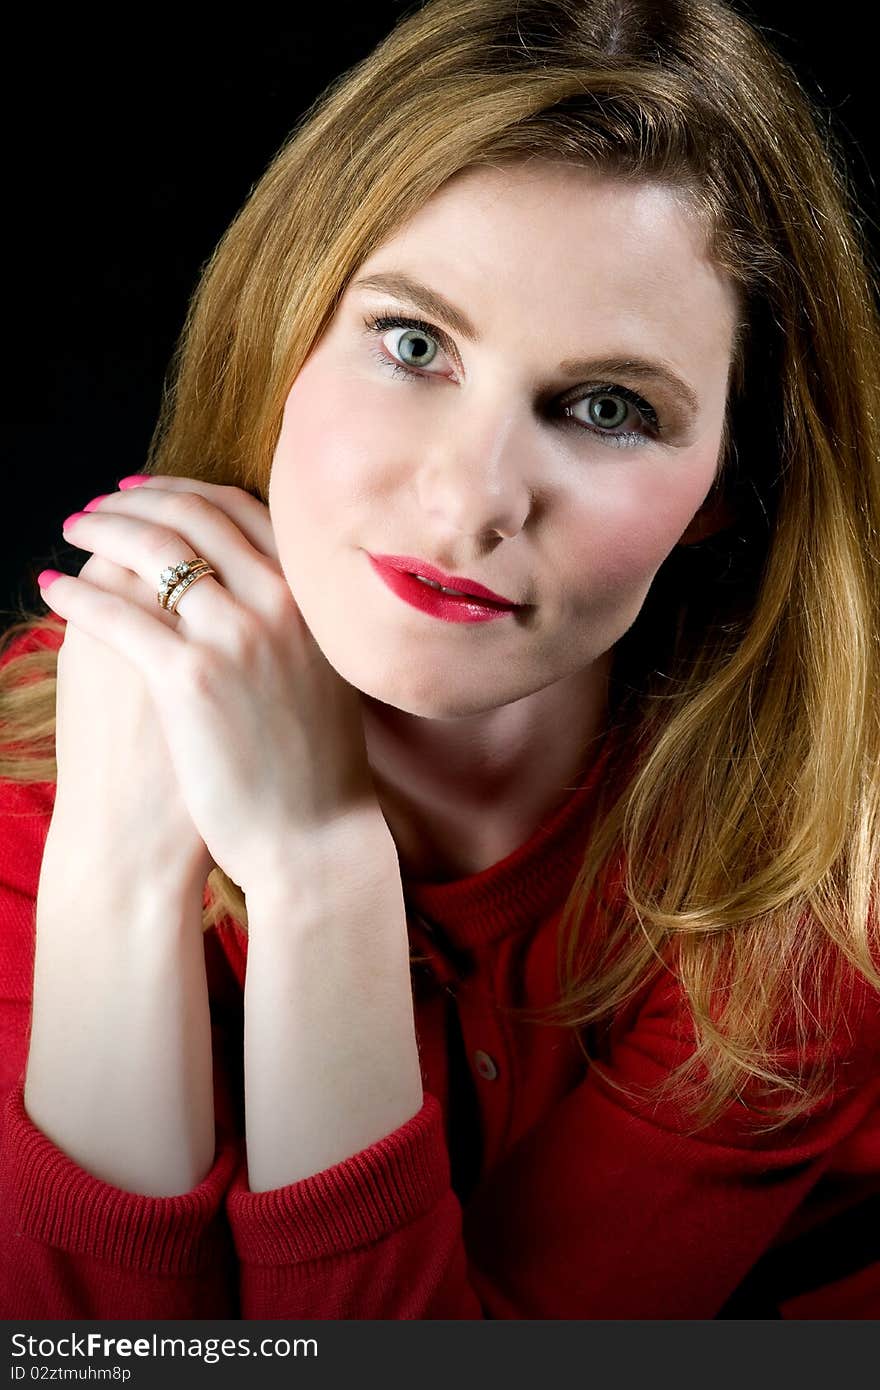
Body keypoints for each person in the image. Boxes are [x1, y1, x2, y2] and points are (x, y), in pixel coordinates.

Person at [1, 0, 878, 1320]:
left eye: (607, 408)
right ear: (289, 329)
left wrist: (318, 869)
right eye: (414, 343)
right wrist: (114, 871)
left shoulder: (807, 877)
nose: (472, 501)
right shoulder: (59, 741)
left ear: (725, 493)